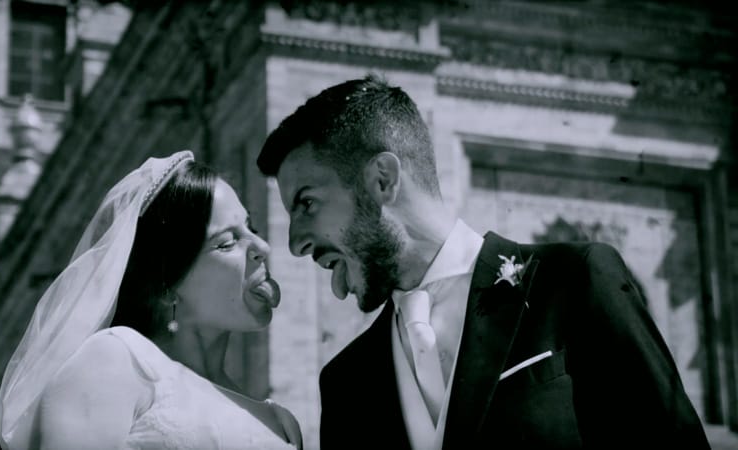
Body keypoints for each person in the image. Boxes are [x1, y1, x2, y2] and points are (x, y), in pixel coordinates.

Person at [257, 75, 710, 449]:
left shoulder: (574, 282)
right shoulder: (345, 385)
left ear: (382, 179)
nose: (295, 243)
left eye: (306, 203)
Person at [0, 150, 302, 450]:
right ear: (166, 283)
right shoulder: (117, 361)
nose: (262, 246)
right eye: (227, 242)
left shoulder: (280, 422)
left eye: (252, 228)